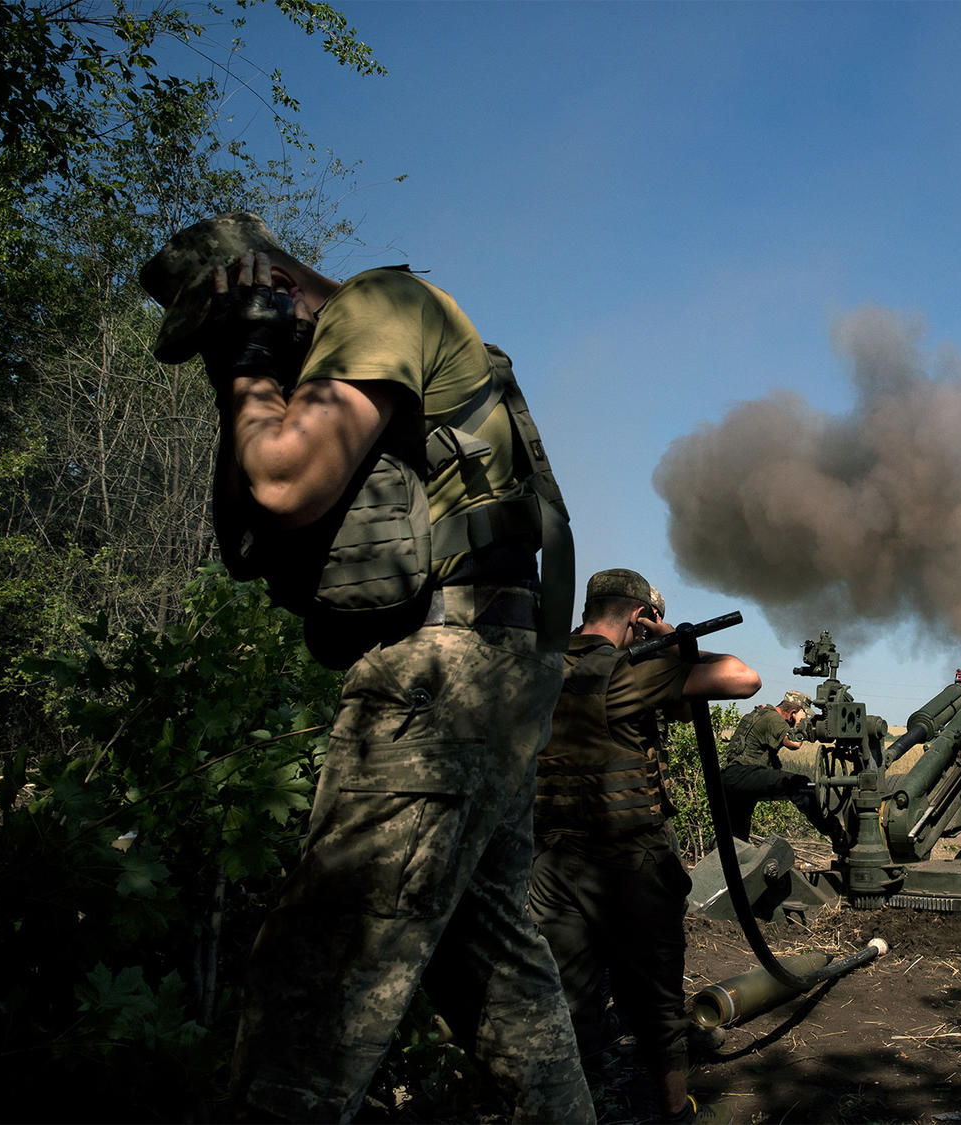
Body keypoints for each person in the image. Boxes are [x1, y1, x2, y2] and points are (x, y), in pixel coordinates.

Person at [140, 213, 593, 1122]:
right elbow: (249, 537)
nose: (218, 359)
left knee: (313, 991)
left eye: (217, 325)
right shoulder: (389, 333)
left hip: (440, 682)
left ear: (258, 282)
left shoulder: (379, 306)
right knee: (499, 979)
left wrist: (251, 366)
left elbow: (281, 479)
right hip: (493, 675)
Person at [528, 569, 759, 1122]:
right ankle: (676, 1111)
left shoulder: (540, 663)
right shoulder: (624, 670)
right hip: (630, 864)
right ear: (638, 617)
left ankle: (577, 1106)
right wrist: (676, 640)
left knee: (568, 996)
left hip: (551, 864)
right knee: (657, 998)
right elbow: (743, 678)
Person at [720, 691, 845, 849]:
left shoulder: (761, 713)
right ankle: (837, 835)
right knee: (801, 787)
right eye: (802, 715)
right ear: (793, 712)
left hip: (730, 779)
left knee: (736, 839)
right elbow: (794, 743)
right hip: (743, 774)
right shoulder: (774, 718)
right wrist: (800, 723)